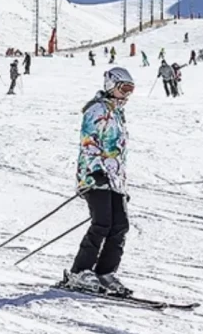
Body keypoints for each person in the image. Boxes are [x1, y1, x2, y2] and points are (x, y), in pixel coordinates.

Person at [65, 67, 134, 296]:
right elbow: (89, 141)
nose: (127, 94)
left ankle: (105, 272)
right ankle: (80, 271)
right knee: (102, 223)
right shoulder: (97, 109)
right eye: (124, 88)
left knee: (120, 225)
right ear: (111, 85)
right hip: (94, 176)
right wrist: (95, 170)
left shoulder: (117, 113)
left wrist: (122, 184)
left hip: (114, 180)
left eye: (130, 90)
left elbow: (118, 150)